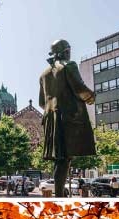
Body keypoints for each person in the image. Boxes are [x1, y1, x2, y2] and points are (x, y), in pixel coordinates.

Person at [39, 39, 96, 199]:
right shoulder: (68, 65)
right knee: (64, 158)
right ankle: (59, 196)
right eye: (69, 49)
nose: (70, 52)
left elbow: (41, 102)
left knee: (60, 159)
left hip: (50, 118)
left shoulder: (44, 74)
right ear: (65, 51)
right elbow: (80, 88)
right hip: (67, 117)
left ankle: (59, 194)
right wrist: (91, 97)